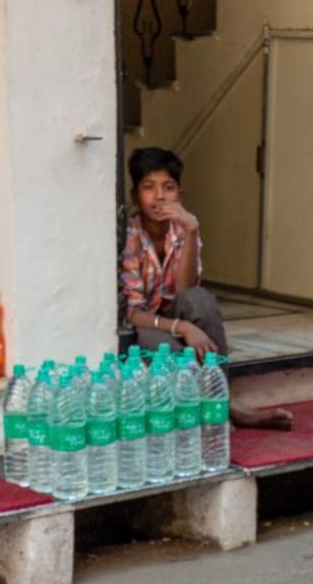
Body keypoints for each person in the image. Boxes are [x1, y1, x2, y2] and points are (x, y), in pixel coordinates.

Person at [119, 146, 292, 431]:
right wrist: (182, 328)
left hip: (172, 316)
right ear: (136, 195)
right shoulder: (129, 235)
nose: (159, 196)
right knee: (164, 346)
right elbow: (132, 314)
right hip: (143, 327)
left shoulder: (184, 229)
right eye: (149, 188)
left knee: (200, 301)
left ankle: (221, 404)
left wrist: (191, 233)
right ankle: (226, 408)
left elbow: (185, 291)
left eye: (168, 187)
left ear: (180, 195)